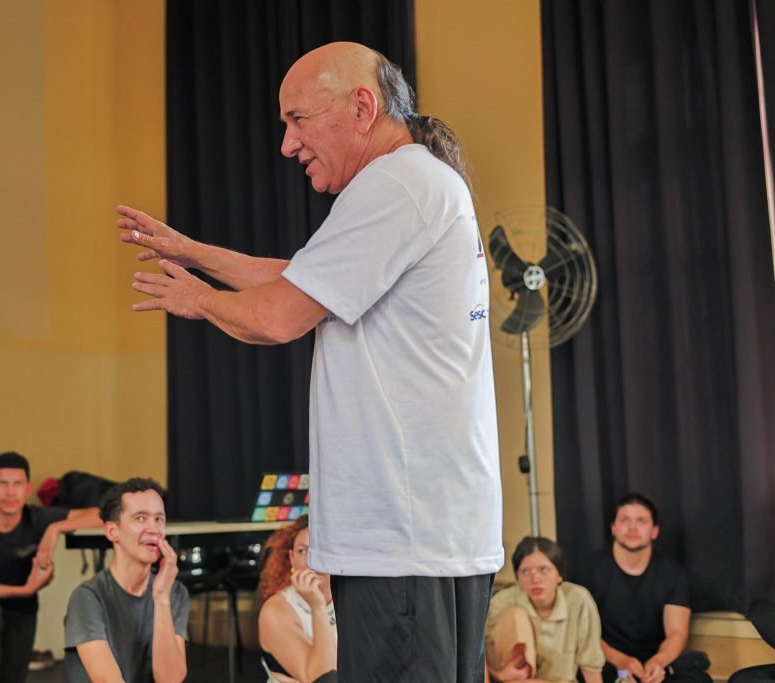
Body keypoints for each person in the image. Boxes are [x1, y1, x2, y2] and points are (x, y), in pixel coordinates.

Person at [116, 41, 501, 681]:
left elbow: (277, 316)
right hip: (432, 532)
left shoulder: (392, 184)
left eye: (298, 120)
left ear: (362, 107)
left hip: (402, 537)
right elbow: (303, 276)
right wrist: (192, 252)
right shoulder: (422, 181)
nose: (287, 144)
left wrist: (196, 299)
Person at [0, 451, 102, 683]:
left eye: (17, 484)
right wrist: (24, 590)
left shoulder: (38, 518)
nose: (10, 492)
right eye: (2, 484)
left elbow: (102, 514)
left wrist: (55, 529)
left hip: (22, 610)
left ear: (27, 489)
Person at [63, 477, 188, 683]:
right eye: (140, 518)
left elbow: (171, 680)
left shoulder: (173, 592)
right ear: (112, 531)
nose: (153, 529)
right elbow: (107, 680)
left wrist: (161, 598)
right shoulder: (87, 597)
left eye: (159, 519)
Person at [580, 494, 712, 683]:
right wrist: (620, 661)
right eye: (624, 520)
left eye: (641, 521)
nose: (632, 527)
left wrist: (658, 662)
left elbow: (677, 633)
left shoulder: (672, 572)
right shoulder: (589, 569)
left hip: (653, 664)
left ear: (654, 531)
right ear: (613, 528)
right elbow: (582, 633)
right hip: (605, 662)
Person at [485, 537, 604, 683]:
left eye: (544, 570)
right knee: (515, 615)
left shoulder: (578, 600)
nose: (535, 579)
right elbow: (474, 652)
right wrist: (498, 675)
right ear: (517, 578)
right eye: (525, 571)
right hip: (512, 680)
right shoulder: (502, 601)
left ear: (559, 575)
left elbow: (591, 666)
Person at [257, 516, 336, 683]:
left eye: (319, 549)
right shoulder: (275, 610)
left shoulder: (354, 598)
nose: (312, 561)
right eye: (303, 551)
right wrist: (318, 606)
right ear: (292, 559)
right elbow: (323, 678)